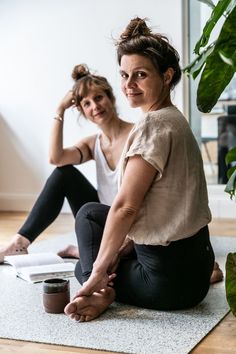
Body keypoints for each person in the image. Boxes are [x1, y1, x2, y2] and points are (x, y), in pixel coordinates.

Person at [64, 17, 221, 323]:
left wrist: (96, 274)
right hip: (198, 269)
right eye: (124, 75)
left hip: (166, 285)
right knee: (94, 213)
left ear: (167, 76)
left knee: (83, 261)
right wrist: (116, 253)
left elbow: (126, 207)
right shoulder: (174, 118)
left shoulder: (152, 125)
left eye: (140, 75)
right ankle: (106, 276)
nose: (128, 85)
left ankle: (103, 293)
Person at [0, 64, 133, 263]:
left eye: (98, 98)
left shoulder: (136, 134)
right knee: (64, 174)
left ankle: (80, 251)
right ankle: (20, 242)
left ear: (111, 98)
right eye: (86, 104)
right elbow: (56, 158)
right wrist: (60, 109)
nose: (95, 107)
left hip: (129, 221)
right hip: (101, 219)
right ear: (82, 111)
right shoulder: (92, 143)